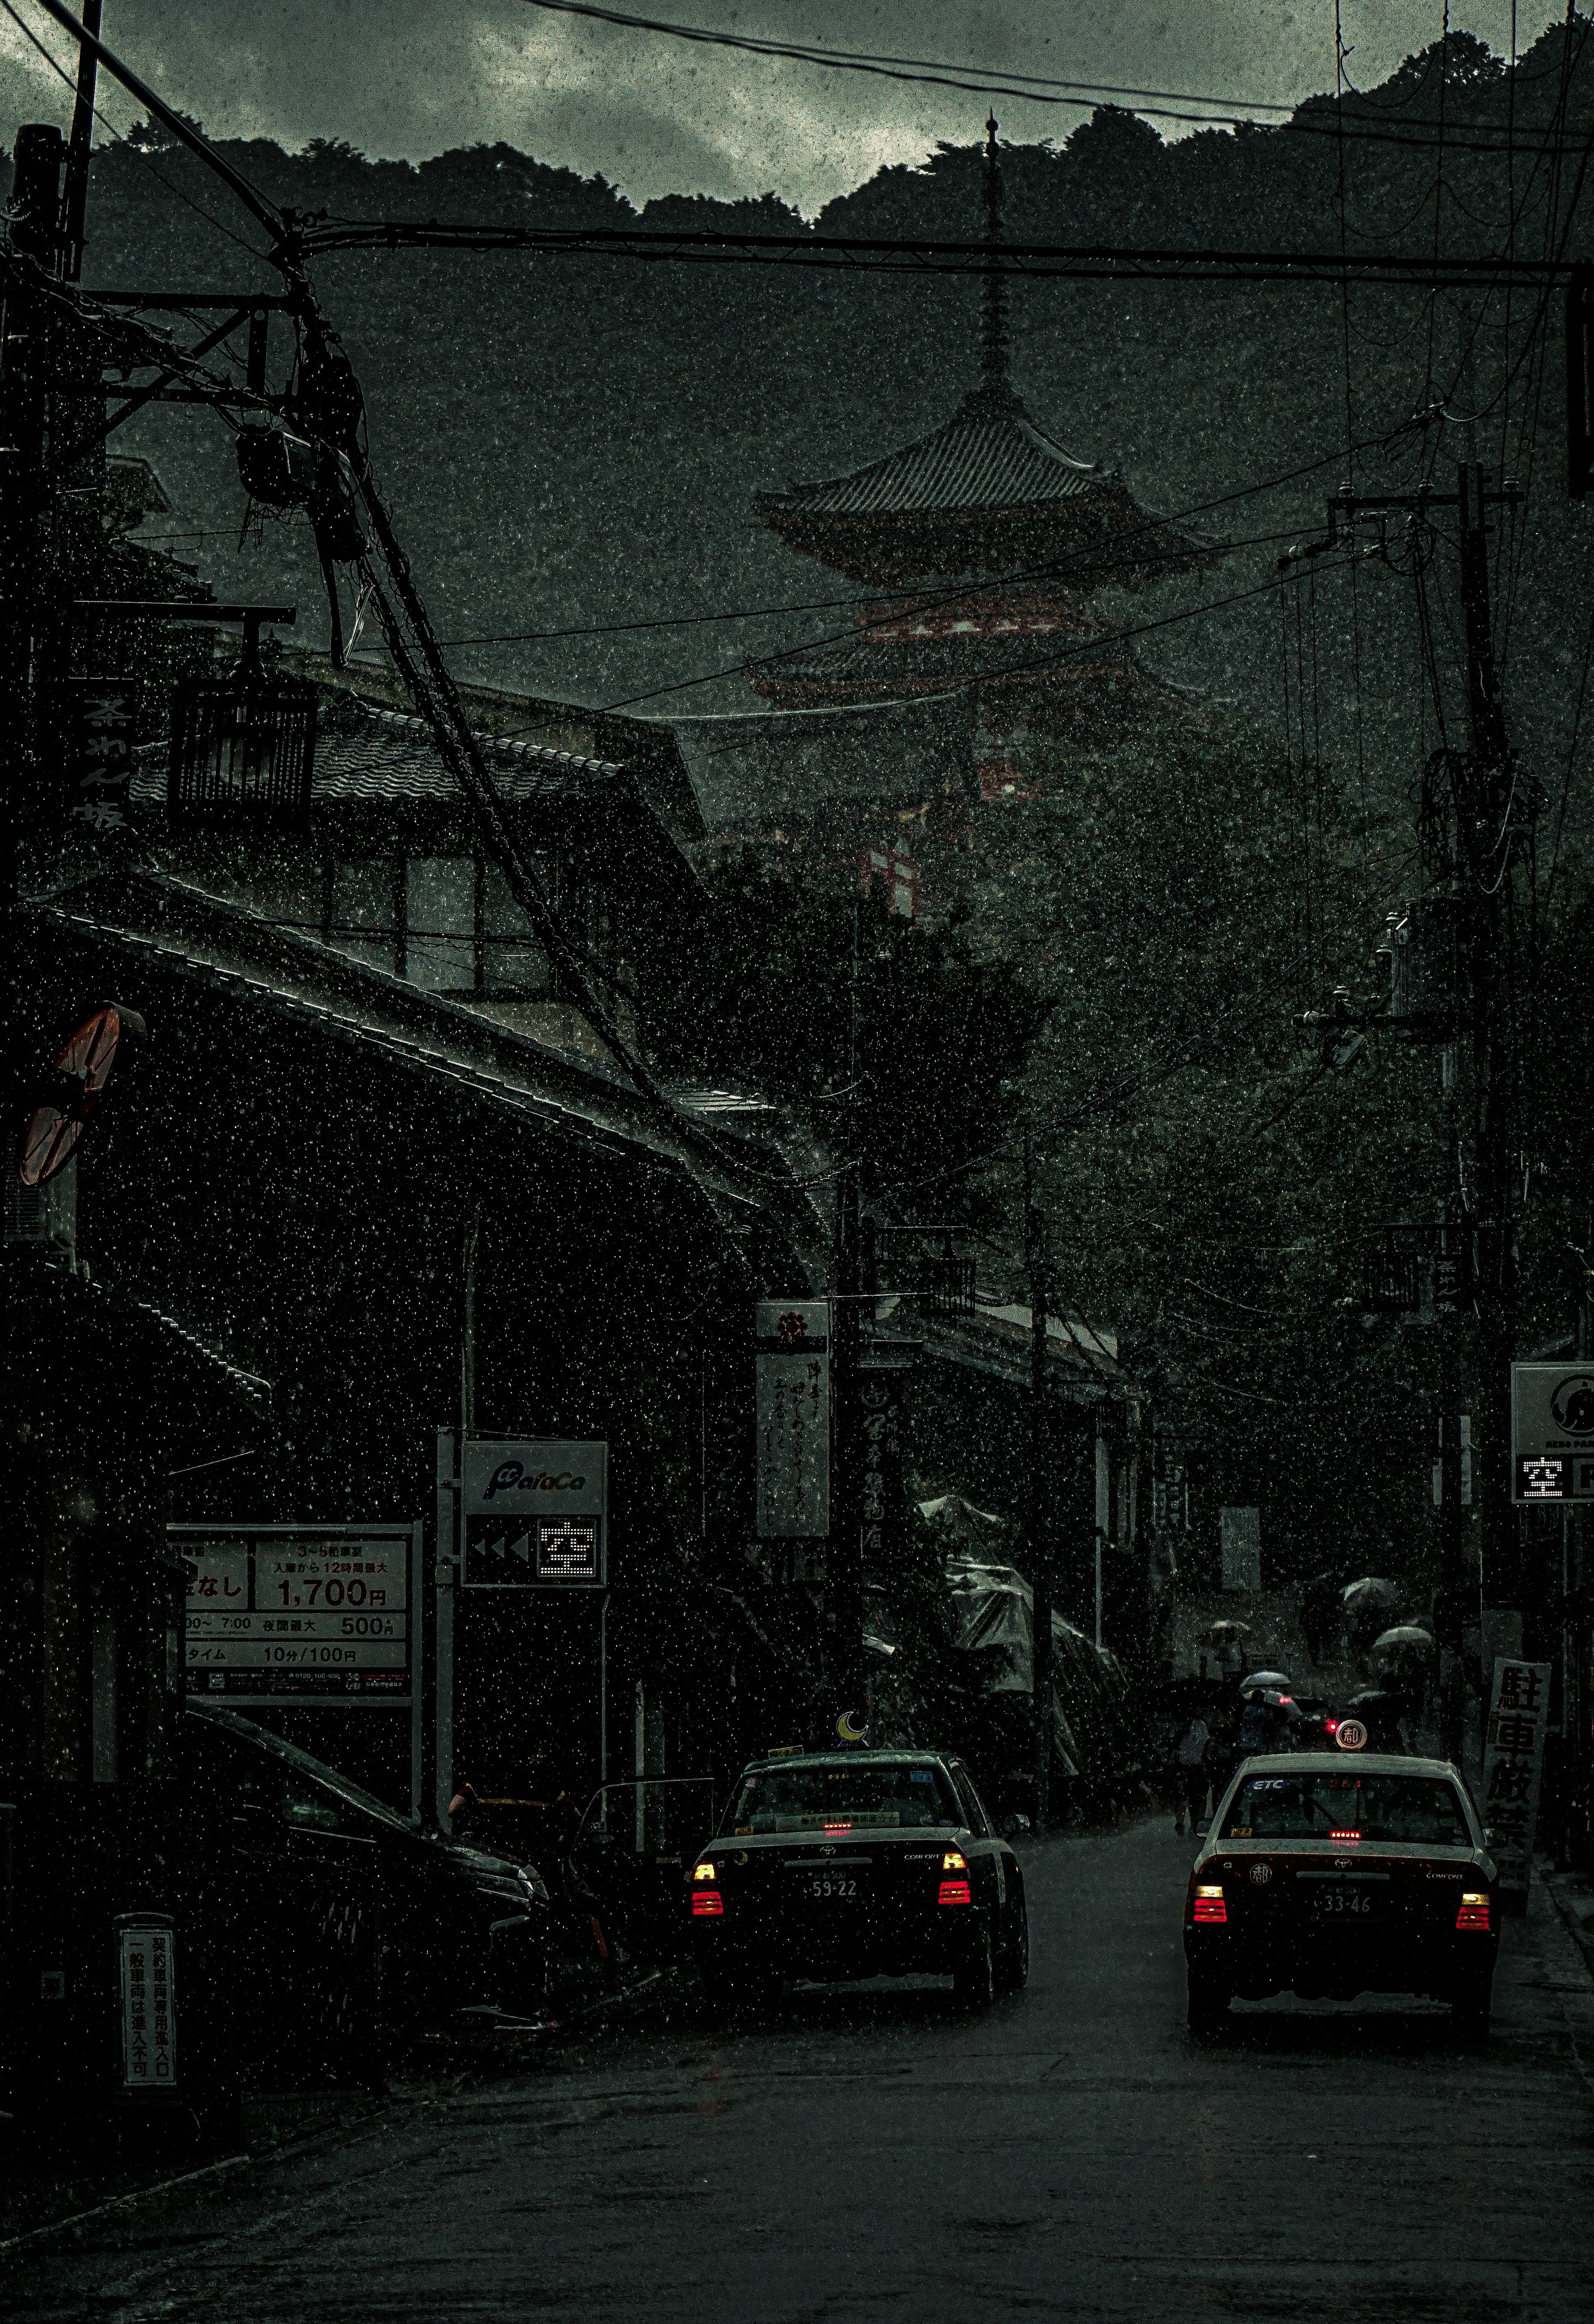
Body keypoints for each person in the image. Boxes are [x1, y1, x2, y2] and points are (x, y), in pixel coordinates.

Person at [1172, 1714, 1210, 1836]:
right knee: (1181, 1796)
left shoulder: (1200, 1725)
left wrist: (1206, 1759)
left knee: (1197, 1797)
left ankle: (1196, 1825)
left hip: (1197, 1766)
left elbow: (1207, 1743)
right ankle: (1180, 1822)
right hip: (1183, 1765)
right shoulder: (1177, 1726)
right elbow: (1172, 1743)